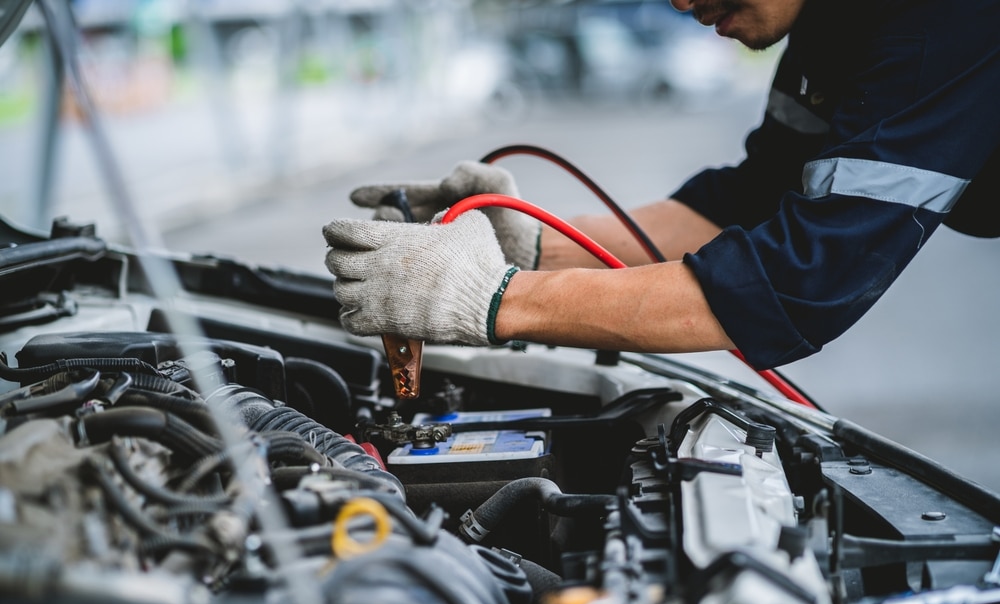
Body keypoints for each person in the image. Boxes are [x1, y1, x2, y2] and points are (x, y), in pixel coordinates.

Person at [323, 0, 1000, 371]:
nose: (680, 2)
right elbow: (747, 201)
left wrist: (487, 297)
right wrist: (527, 245)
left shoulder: (937, 19)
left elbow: (802, 279)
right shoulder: (831, 27)